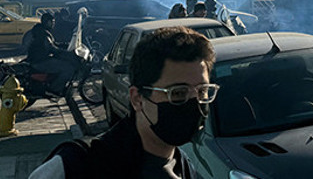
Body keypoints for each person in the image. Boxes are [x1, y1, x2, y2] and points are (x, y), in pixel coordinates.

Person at [29, 26, 218, 179]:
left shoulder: (184, 168)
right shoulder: (76, 167)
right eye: (177, 93)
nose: (194, 103)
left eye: (202, 91)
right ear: (137, 98)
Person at [25, 12, 78, 96]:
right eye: (51, 22)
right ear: (46, 22)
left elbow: (53, 44)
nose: (53, 24)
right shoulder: (43, 34)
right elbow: (52, 48)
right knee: (68, 69)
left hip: (40, 59)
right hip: (41, 61)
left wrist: (66, 45)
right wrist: (66, 53)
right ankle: (54, 89)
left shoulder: (41, 31)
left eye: (53, 22)